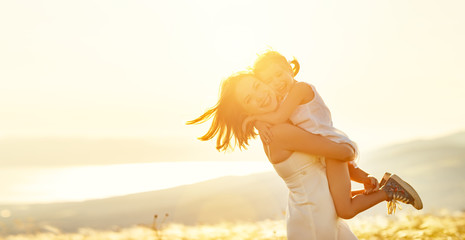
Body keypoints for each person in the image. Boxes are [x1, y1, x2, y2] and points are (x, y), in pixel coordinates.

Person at [187, 71, 421, 239]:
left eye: (257, 85)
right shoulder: (279, 132)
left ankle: (388, 191)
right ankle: (389, 191)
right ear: (245, 110)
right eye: (249, 99)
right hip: (314, 221)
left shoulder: (287, 122)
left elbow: (324, 162)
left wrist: (361, 178)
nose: (259, 95)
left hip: (320, 215)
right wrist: (348, 149)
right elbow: (338, 152)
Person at [243, 51, 423, 217]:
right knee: (330, 198)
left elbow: (279, 116)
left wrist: (253, 119)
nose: (277, 81)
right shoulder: (285, 98)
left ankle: (388, 191)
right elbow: (280, 119)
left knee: (345, 210)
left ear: (290, 69)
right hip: (325, 149)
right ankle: (378, 184)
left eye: (279, 74)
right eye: (269, 80)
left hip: (333, 147)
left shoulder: (300, 89)